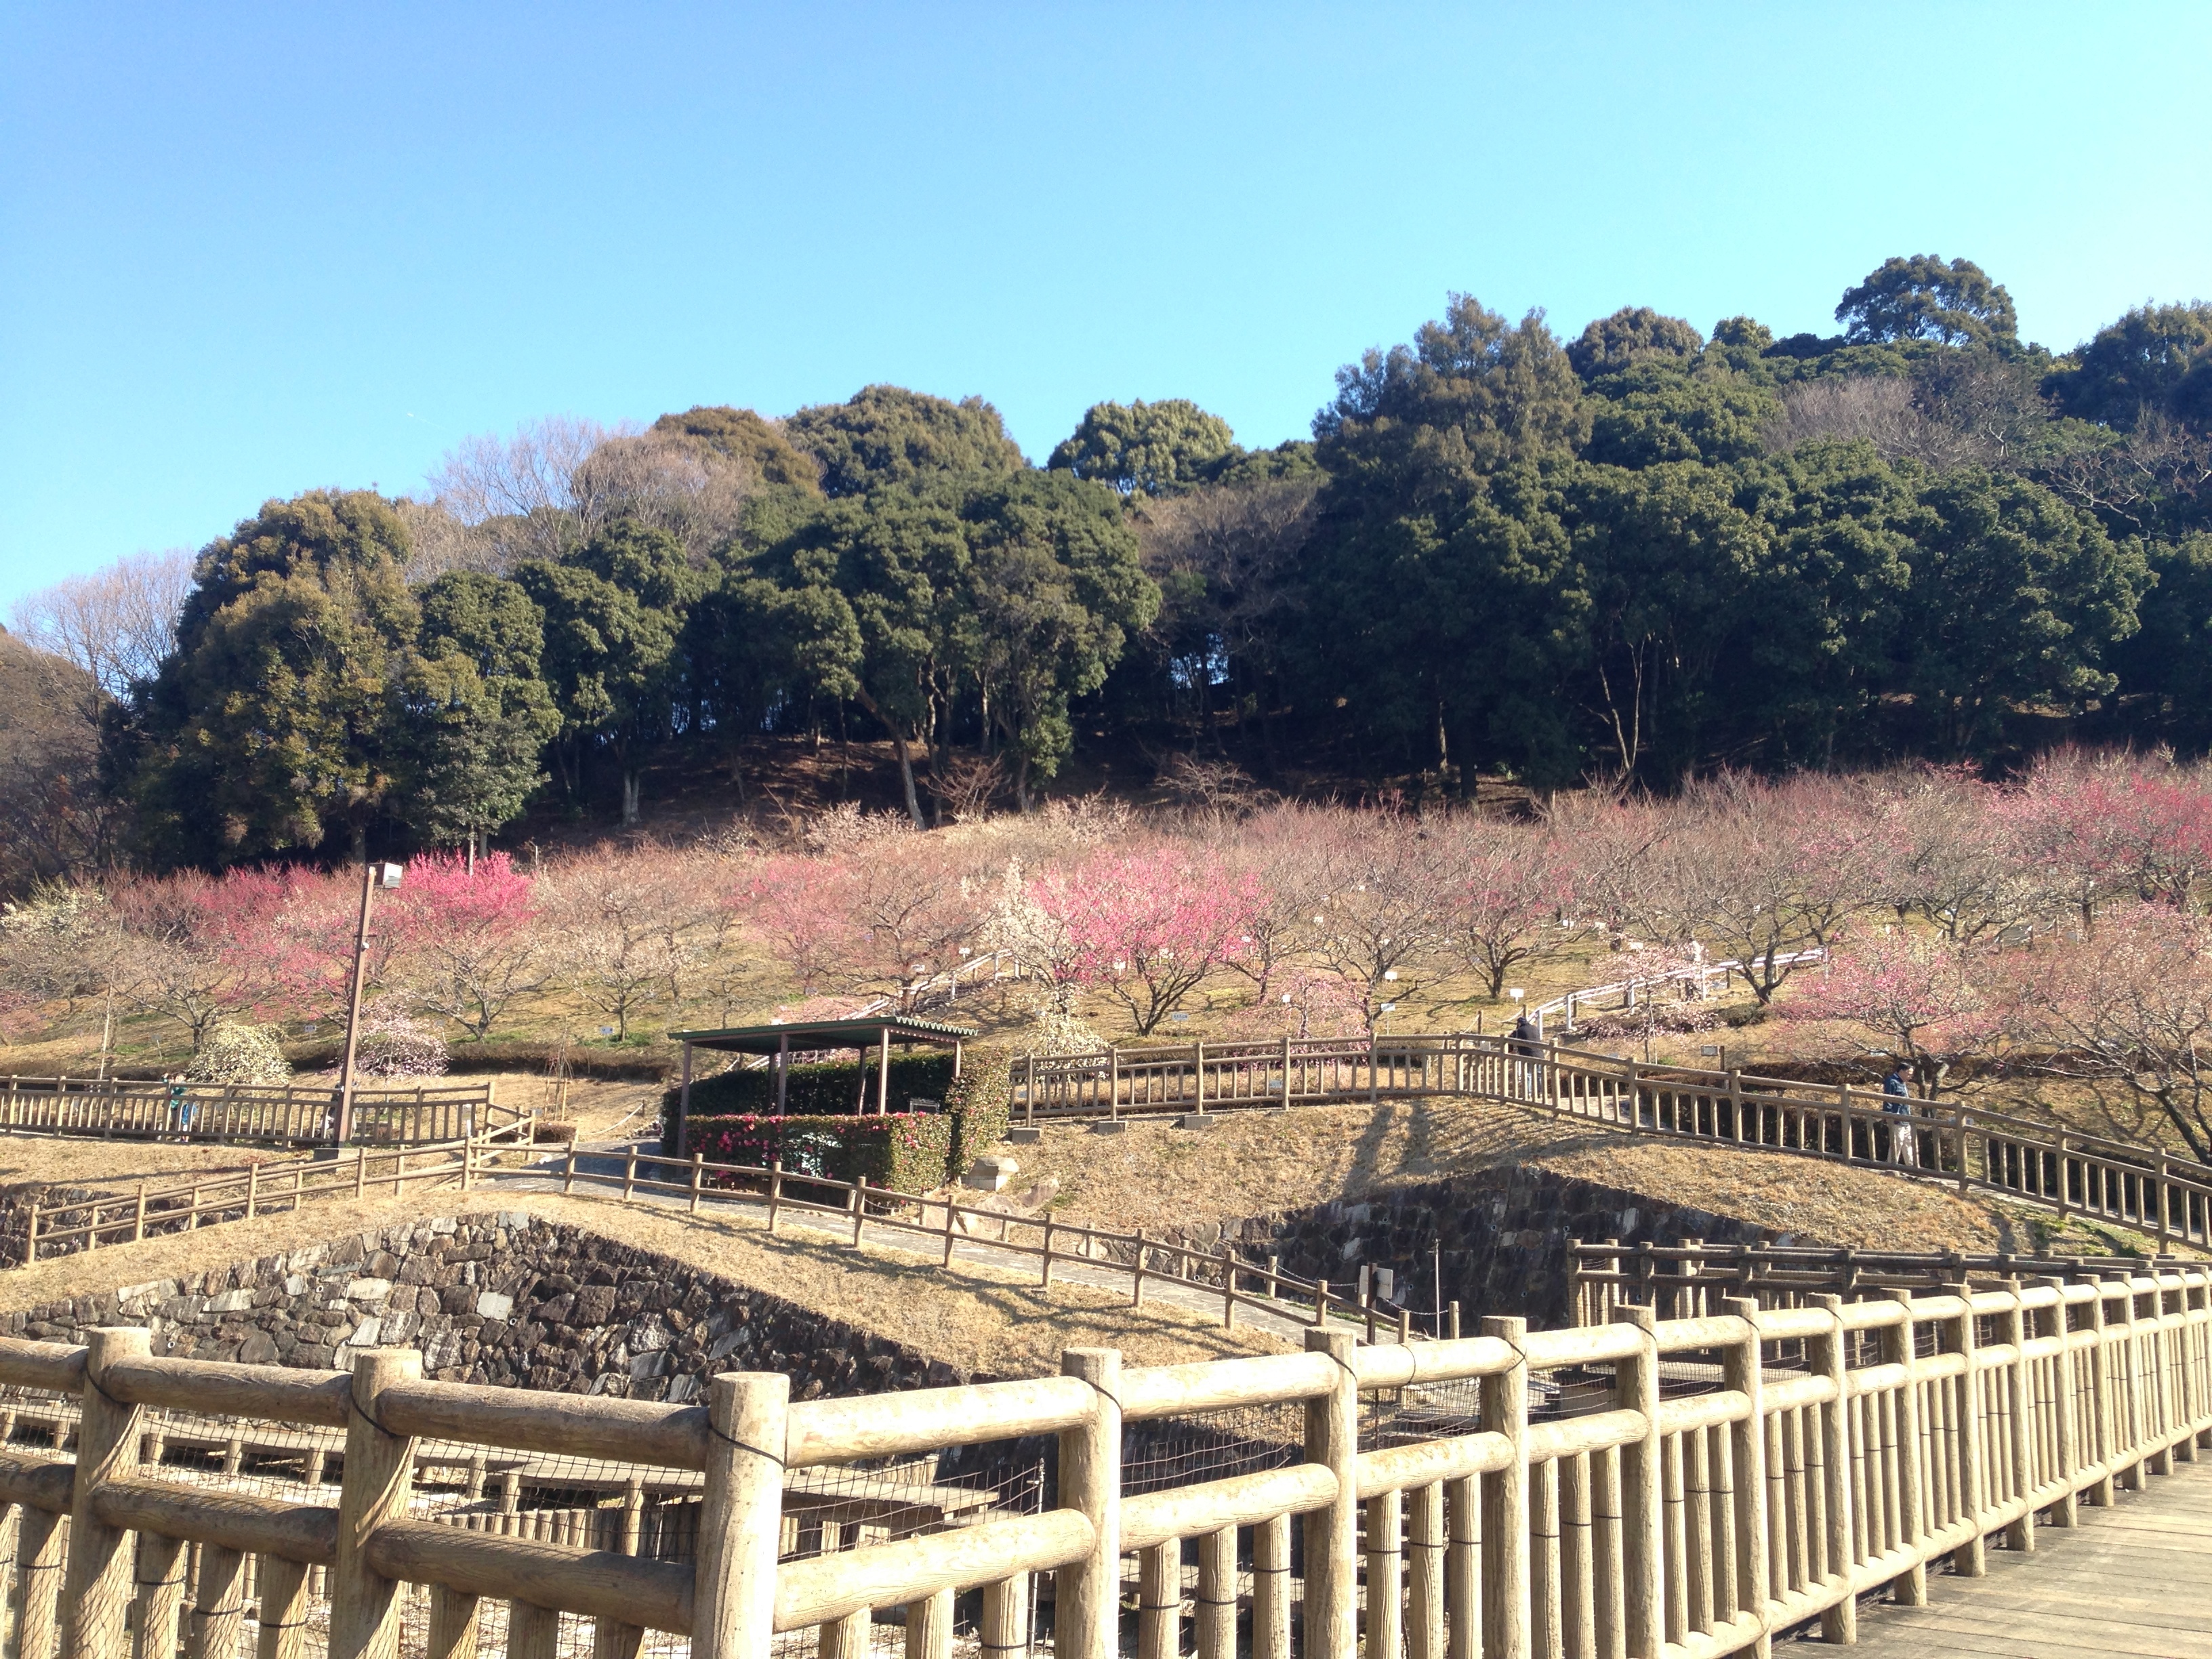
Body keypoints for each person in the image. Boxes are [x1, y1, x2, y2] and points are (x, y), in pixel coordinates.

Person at [1881, 1067, 1916, 1166]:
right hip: (1897, 1116)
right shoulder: (1892, 1081)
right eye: (1908, 1073)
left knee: (1908, 1142)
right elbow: (1888, 1099)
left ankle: (1911, 1166)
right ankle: (1891, 1165)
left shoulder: (1902, 1082)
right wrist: (1888, 1114)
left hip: (1905, 1116)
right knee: (1897, 1142)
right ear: (1901, 1071)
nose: (1910, 1076)